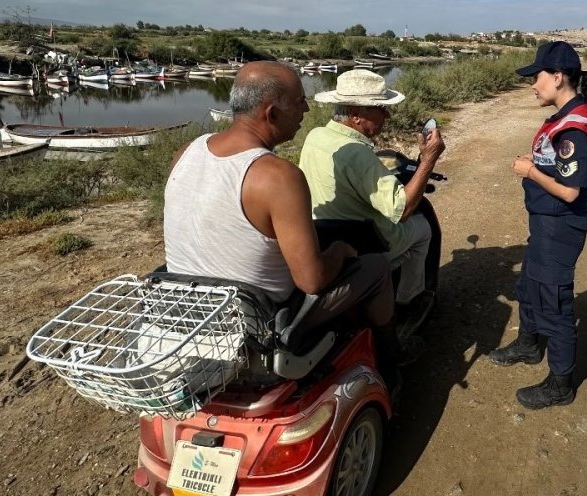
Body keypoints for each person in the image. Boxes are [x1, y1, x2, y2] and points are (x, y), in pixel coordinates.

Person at [163, 62, 414, 383]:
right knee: (377, 266)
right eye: (299, 102)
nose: (307, 109)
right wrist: (339, 250)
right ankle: (393, 360)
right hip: (262, 319)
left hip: (190, 309)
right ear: (271, 113)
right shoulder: (279, 177)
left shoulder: (185, 152)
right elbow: (313, 280)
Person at [490, 41, 587, 409]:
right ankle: (527, 346)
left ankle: (560, 384)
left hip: (560, 226)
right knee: (531, 286)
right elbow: (559, 165)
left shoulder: (575, 126)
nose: (532, 86)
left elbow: (570, 192)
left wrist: (531, 171)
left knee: (555, 303)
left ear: (558, 77)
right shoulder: (564, 114)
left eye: (536, 77)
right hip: (545, 224)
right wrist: (537, 163)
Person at [299, 68, 445, 334]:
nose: (386, 115)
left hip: (326, 234)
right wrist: (429, 159)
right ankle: (408, 301)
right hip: (366, 242)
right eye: (380, 109)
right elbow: (402, 210)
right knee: (422, 229)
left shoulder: (315, 136)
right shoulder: (358, 154)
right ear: (356, 115)